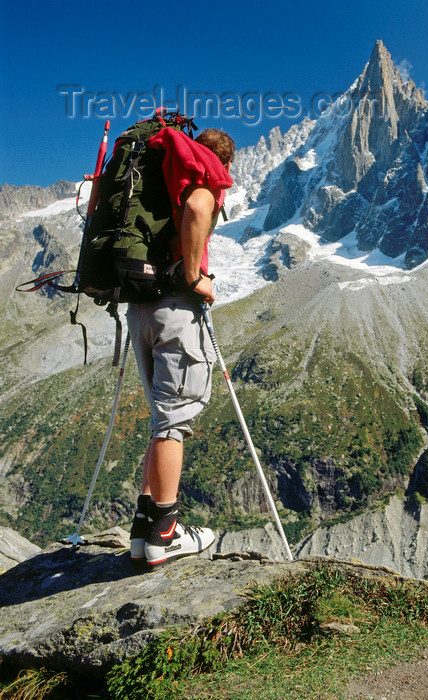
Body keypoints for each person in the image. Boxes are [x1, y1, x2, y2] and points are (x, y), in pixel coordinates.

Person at [127, 127, 235, 566]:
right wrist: (195, 277)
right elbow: (197, 207)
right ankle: (165, 533)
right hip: (174, 307)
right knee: (174, 421)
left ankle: (143, 526)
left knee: (161, 418)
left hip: (141, 309)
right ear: (221, 162)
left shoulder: (160, 175)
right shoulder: (202, 180)